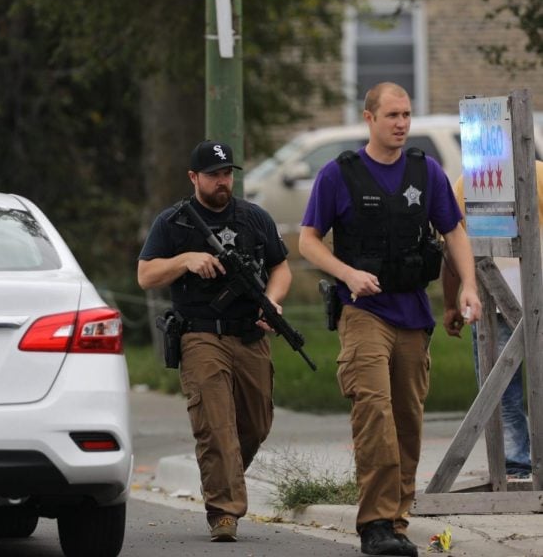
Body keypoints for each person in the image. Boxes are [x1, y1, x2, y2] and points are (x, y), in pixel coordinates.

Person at [298, 82, 482, 557]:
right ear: (369, 119)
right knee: (374, 413)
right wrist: (346, 273)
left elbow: (453, 231)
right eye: (392, 115)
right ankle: (375, 522)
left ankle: (395, 521)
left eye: (406, 115)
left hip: (413, 313)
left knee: (406, 419)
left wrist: (468, 287)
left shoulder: (428, 171)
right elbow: (308, 240)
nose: (401, 123)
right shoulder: (339, 175)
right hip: (363, 313)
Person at [137, 140, 292, 542]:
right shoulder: (173, 223)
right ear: (194, 178)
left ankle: (222, 475)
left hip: (250, 334)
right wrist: (184, 260)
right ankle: (224, 511)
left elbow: (281, 267)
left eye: (227, 175)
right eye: (214, 175)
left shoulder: (254, 217)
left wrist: (272, 302)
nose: (223, 182)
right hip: (201, 334)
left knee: (256, 424)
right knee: (216, 426)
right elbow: (146, 275)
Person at [441, 161, 543, 480]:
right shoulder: (538, 173)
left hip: (491, 299)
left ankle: (514, 463)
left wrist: (449, 303)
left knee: (499, 390)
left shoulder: (468, 182)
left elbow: (452, 249)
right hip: (533, 294)